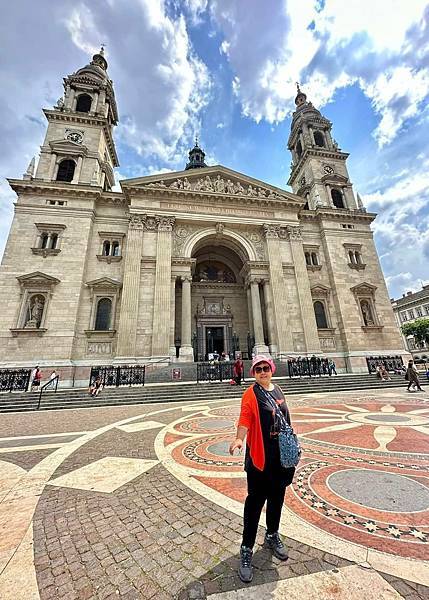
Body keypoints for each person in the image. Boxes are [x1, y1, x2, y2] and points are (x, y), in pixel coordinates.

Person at [229, 355, 296, 583]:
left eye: (266, 368)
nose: (263, 371)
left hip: (281, 458)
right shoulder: (251, 393)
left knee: (277, 498)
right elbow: (245, 418)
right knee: (255, 502)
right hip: (260, 457)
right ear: (253, 372)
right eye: (258, 369)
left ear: (272, 370)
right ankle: (246, 549)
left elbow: (286, 420)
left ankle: (272, 534)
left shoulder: (278, 390)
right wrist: (239, 439)